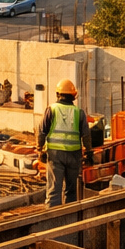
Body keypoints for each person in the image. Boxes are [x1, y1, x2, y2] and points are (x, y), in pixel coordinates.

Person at [39, 78, 92, 207]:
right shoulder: (79, 113)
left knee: (54, 191)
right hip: (74, 155)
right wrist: (89, 153)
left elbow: (41, 132)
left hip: (55, 155)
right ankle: (70, 220)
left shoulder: (51, 109)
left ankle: (53, 220)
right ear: (74, 96)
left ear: (58, 94)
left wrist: (40, 150)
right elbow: (86, 135)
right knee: (71, 191)